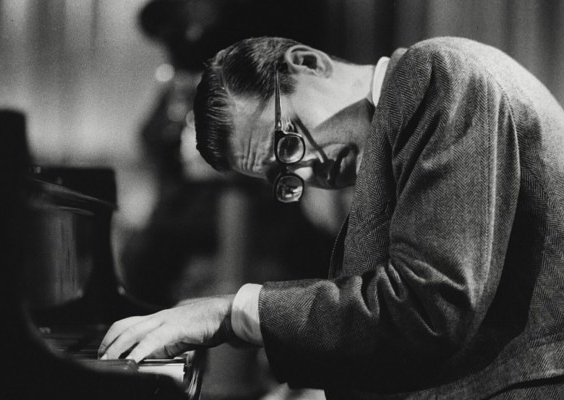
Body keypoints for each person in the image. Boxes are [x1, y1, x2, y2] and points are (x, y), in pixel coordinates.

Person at [99, 36, 564, 399]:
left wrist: (231, 312)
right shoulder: (400, 129)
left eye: (287, 143)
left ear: (307, 62)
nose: (304, 172)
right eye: (282, 175)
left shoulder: (435, 73)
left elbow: (430, 307)